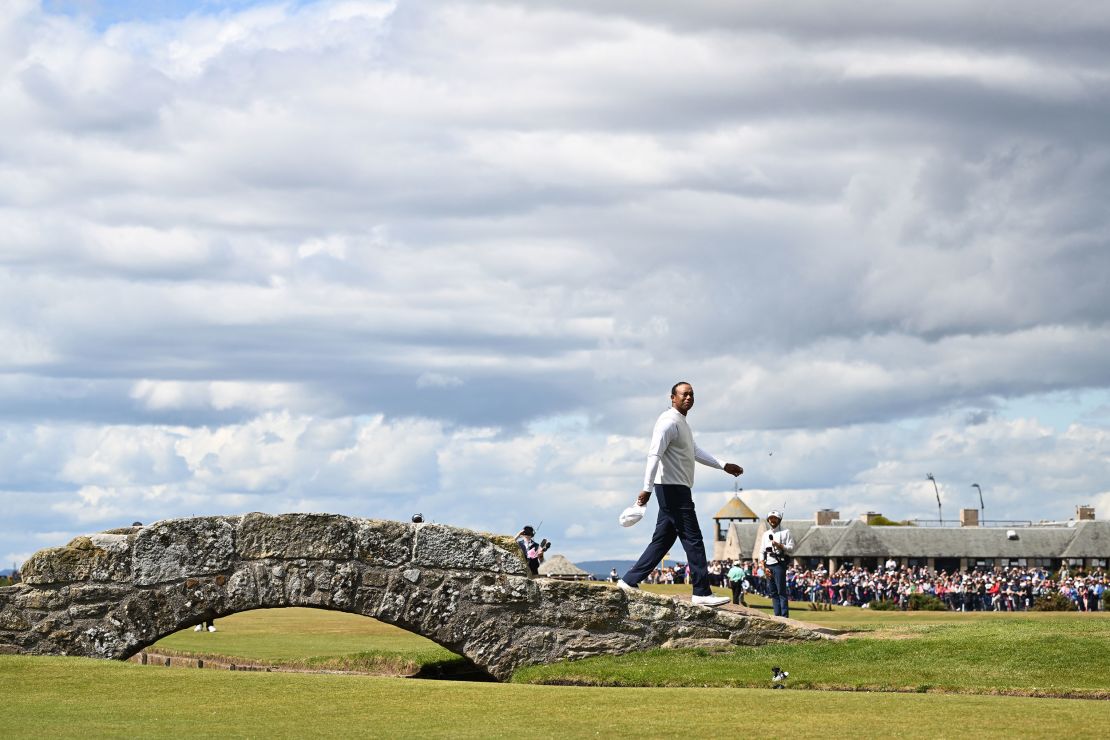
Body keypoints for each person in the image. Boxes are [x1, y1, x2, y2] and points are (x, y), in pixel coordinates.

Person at [619, 382, 743, 608]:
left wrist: (723, 465)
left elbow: (694, 451)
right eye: (684, 394)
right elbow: (653, 455)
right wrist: (646, 489)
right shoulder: (668, 422)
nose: (688, 397)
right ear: (672, 398)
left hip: (675, 488)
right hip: (672, 488)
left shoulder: (681, 422)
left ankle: (629, 580)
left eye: (692, 394)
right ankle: (701, 592)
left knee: (663, 540)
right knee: (693, 538)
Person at [761, 510, 795, 617]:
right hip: (768, 564)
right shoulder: (766, 534)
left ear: (779, 519)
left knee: (781, 591)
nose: (772, 520)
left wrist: (780, 545)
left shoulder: (785, 532)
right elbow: (761, 551)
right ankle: (777, 615)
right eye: (770, 518)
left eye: (774, 518)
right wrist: (763, 567)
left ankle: (784, 616)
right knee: (773, 592)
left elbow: (791, 547)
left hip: (779, 564)